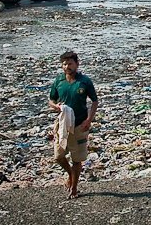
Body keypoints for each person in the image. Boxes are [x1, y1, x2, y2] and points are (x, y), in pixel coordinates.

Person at [48, 51, 98, 199]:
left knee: (77, 159)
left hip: (79, 125)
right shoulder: (59, 81)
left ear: (77, 64)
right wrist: (56, 107)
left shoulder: (84, 81)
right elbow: (51, 100)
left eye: (70, 63)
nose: (67, 67)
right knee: (58, 156)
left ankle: (74, 188)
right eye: (64, 64)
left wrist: (89, 120)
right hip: (62, 124)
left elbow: (94, 101)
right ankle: (71, 174)